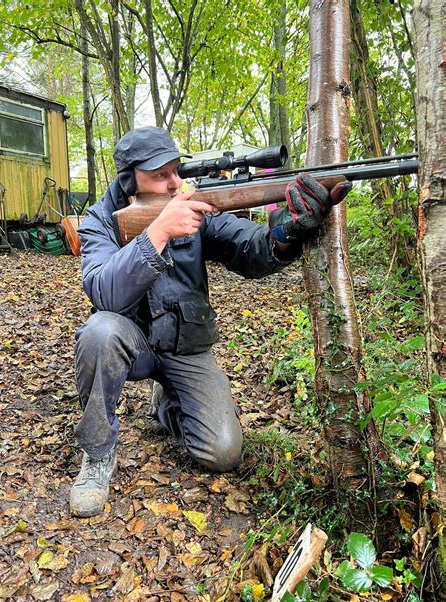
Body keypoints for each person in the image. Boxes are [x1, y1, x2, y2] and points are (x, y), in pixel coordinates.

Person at [70, 126, 351, 517]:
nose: (174, 184)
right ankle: (98, 455)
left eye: (176, 170)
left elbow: (252, 248)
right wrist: (159, 232)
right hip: (131, 342)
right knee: (98, 331)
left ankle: (168, 404)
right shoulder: (101, 220)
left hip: (185, 343)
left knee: (223, 452)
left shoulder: (194, 202)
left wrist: (287, 229)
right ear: (128, 180)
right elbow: (104, 292)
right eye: (160, 175)